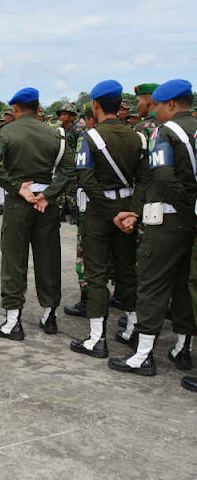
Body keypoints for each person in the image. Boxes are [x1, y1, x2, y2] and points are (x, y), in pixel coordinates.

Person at [109, 79, 197, 376]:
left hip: (170, 220)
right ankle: (183, 345)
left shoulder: (166, 132)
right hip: (190, 222)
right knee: (185, 283)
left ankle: (143, 354)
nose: (155, 111)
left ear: (170, 104)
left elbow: (163, 176)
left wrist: (185, 209)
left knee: (152, 283)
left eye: (158, 105)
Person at [0, 87, 75, 340]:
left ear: (15, 109)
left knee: (14, 259)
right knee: (48, 258)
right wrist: (49, 194)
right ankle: (49, 315)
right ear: (38, 108)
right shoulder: (57, 135)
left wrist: (16, 187)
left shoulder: (4, 132)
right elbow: (69, 170)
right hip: (46, 205)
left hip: (18, 203)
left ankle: (13, 321)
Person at [69, 80, 149, 358]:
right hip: (128, 212)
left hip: (100, 214)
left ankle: (96, 338)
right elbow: (145, 180)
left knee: (97, 275)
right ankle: (132, 330)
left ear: (97, 105)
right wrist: (131, 212)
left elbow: (87, 181)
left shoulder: (88, 138)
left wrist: (112, 213)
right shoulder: (138, 137)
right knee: (127, 270)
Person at [64, 102, 98, 318]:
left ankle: (88, 301)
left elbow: (81, 171)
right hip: (120, 206)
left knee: (86, 255)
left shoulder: (86, 136)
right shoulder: (129, 134)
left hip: (91, 203)